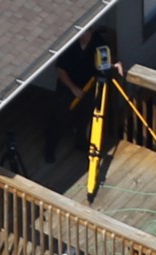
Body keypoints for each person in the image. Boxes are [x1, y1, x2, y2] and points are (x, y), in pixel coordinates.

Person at [43, 28, 123, 163]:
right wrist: (73, 88)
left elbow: (105, 60)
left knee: (86, 114)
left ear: (90, 32)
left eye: (85, 32)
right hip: (68, 86)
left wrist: (115, 64)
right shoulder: (69, 45)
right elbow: (60, 70)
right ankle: (49, 149)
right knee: (60, 117)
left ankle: (80, 142)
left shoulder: (98, 43)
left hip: (88, 86)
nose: (82, 35)